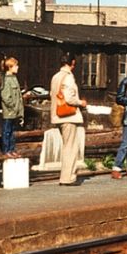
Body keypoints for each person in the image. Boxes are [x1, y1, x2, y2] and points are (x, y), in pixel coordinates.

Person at [49, 53, 87, 186]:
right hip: (68, 116)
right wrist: (81, 103)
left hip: (58, 116)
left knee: (66, 146)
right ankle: (67, 178)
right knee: (70, 148)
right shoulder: (69, 77)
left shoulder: (55, 77)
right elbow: (69, 98)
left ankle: (65, 176)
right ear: (72, 63)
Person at [0, 56, 29, 158]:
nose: (18, 67)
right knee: (7, 132)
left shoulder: (14, 78)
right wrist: (13, 107)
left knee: (12, 133)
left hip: (14, 112)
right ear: (10, 67)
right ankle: (6, 150)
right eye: (16, 65)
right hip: (9, 112)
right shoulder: (6, 80)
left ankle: (12, 150)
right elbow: (6, 96)